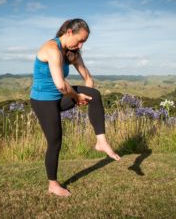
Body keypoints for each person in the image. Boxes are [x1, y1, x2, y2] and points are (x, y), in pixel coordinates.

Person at [30, 18, 121, 197]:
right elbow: (61, 86)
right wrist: (77, 97)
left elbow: (87, 77)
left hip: (60, 98)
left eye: (83, 43)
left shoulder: (71, 52)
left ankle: (101, 141)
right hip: (43, 101)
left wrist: (87, 98)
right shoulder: (52, 49)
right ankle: (53, 184)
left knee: (95, 94)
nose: (80, 46)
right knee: (55, 142)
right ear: (69, 32)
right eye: (80, 41)